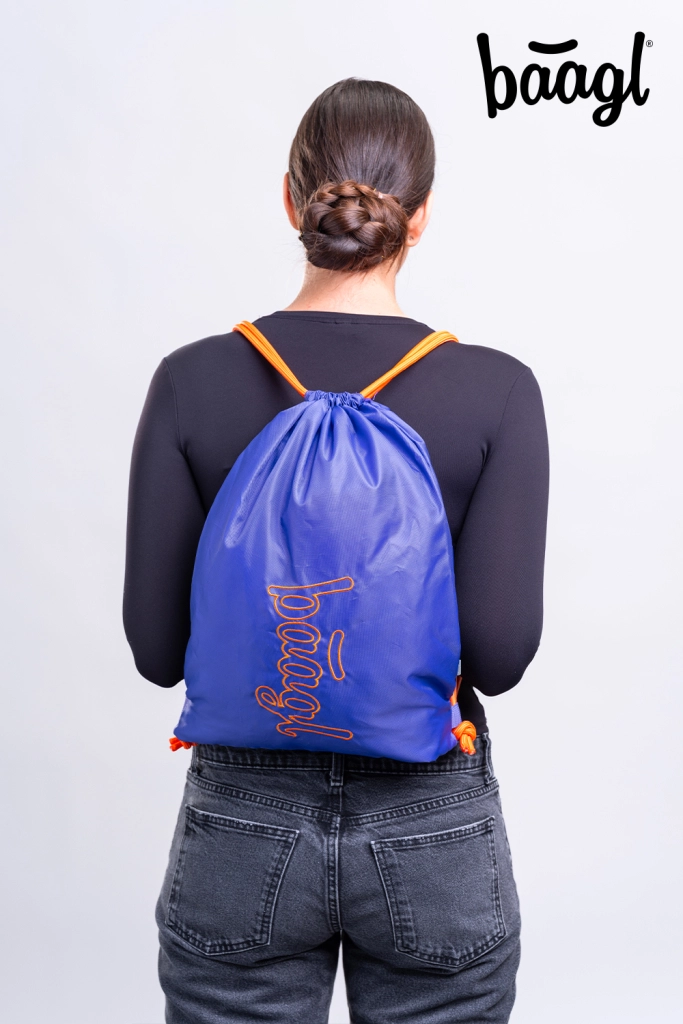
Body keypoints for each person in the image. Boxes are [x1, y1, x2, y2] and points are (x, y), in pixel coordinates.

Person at [124, 77, 549, 1024]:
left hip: (241, 822)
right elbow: (500, 658)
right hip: (430, 819)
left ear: (291, 200)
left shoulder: (191, 379)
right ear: (420, 215)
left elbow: (156, 654)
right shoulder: (498, 391)